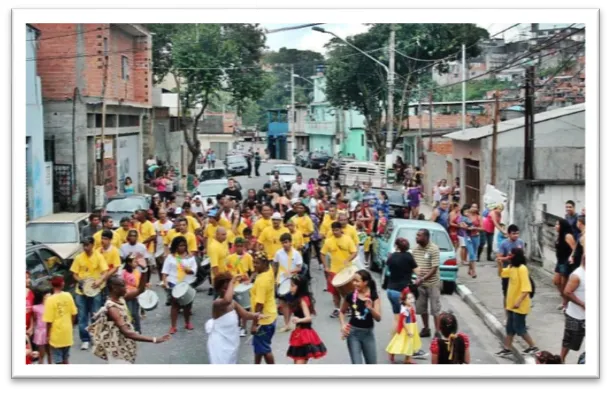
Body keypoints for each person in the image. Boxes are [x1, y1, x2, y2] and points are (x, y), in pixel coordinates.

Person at [88, 264, 171, 364]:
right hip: (117, 353)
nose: (126, 288)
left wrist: (144, 270)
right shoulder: (112, 308)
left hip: (124, 348)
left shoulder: (121, 299)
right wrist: (154, 339)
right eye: (123, 285)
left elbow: (140, 290)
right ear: (114, 288)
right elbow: (127, 332)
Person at [206, 272, 263, 364]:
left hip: (231, 341)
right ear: (219, 289)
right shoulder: (217, 304)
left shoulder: (233, 303)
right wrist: (232, 281)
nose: (228, 290)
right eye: (225, 288)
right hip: (219, 343)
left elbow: (245, 314)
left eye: (228, 287)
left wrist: (256, 315)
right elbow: (227, 300)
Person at [495, 248, 539, 357]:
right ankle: (507, 348)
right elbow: (501, 274)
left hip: (520, 305)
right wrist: (500, 264)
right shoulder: (512, 268)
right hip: (511, 304)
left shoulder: (522, 269)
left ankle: (533, 346)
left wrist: (518, 302)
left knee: (519, 328)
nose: (509, 257)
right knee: (509, 328)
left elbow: (526, 288)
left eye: (511, 255)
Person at [70, 237, 110, 350]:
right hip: (81, 291)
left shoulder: (99, 257)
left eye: (87, 245)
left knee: (95, 315)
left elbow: (105, 272)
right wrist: (79, 281)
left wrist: (99, 281)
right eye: (84, 245)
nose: (85, 247)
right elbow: (74, 273)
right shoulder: (78, 258)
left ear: (92, 245)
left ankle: (96, 338)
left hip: (95, 290)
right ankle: (85, 340)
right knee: (82, 316)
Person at [339, 269, 381, 364]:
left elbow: (378, 318)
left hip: (368, 334)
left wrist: (370, 308)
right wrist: (343, 325)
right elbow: (342, 312)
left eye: (357, 281)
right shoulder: (350, 296)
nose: (354, 283)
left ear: (365, 282)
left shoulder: (374, 296)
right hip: (353, 334)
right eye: (353, 280)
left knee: (372, 363)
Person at [286, 275, 327, 364]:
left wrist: (298, 320)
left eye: (293, 286)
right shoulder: (298, 299)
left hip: (304, 334)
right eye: (290, 285)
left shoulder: (302, 300)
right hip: (299, 333)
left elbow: (308, 318)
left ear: (300, 287)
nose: (290, 288)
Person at [162, 236, 198, 334]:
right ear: (175, 246)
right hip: (174, 282)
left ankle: (187, 323)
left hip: (187, 283)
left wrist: (189, 271)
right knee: (175, 305)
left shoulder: (190, 257)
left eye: (183, 245)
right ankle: (173, 326)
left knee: (187, 305)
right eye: (179, 246)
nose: (182, 247)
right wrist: (165, 281)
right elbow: (165, 271)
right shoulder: (171, 257)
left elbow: (194, 271)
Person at [322, 222, 358, 318]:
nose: (335, 232)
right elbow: (322, 253)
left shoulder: (347, 239)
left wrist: (348, 259)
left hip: (347, 271)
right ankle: (337, 309)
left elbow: (354, 252)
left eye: (337, 230)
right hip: (334, 270)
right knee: (335, 292)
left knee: (348, 291)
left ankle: (350, 308)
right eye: (333, 230)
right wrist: (326, 266)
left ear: (341, 229)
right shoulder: (328, 241)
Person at [250, 251, 278, 364]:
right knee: (260, 347)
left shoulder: (262, 281)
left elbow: (259, 305)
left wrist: (254, 324)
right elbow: (275, 265)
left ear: (265, 263)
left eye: (257, 263)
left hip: (263, 321)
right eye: (254, 262)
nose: (254, 265)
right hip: (271, 315)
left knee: (265, 349)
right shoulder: (269, 270)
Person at [413, 229, 441, 338]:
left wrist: (423, 278)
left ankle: (437, 331)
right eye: (416, 235)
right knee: (421, 308)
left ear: (426, 237)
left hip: (432, 283)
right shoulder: (415, 250)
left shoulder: (434, 249)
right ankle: (426, 328)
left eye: (419, 235)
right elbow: (414, 266)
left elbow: (434, 268)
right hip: (420, 284)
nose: (416, 237)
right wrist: (416, 277)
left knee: (435, 308)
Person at [43, 276, 78, 364]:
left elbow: (49, 321)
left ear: (52, 285)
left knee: (58, 361)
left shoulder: (50, 300)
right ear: (63, 284)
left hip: (56, 335)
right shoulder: (68, 295)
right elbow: (74, 313)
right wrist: (71, 325)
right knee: (66, 358)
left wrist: (47, 335)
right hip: (67, 333)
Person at [385, 238, 419, 327]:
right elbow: (418, 272)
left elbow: (388, 266)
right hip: (402, 292)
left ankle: (394, 339)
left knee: (396, 318)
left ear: (396, 246)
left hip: (390, 290)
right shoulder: (408, 256)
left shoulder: (392, 256)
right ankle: (405, 339)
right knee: (407, 319)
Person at [274, 233, 303, 333]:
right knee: (283, 303)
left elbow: (299, 268)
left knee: (294, 303)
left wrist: (290, 272)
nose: (285, 245)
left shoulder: (296, 253)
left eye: (286, 242)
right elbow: (275, 266)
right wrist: (274, 279)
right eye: (283, 243)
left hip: (293, 281)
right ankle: (287, 324)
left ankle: (299, 322)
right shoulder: (278, 253)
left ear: (291, 242)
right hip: (281, 280)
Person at [386, 287, 422, 364]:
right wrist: (408, 331)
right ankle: (392, 352)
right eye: (409, 298)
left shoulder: (410, 307)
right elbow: (403, 321)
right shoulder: (405, 309)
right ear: (404, 300)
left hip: (411, 327)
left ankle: (407, 359)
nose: (411, 300)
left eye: (412, 297)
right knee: (399, 341)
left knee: (410, 343)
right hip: (406, 329)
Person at [562, 254, 585, 363]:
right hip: (576, 315)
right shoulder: (577, 275)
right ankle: (561, 360)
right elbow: (567, 292)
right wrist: (582, 304)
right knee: (569, 342)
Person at [554, 219, 576, 311]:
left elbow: (574, 249)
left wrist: (571, 257)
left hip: (566, 262)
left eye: (557, 224)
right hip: (560, 261)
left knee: (564, 284)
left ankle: (566, 303)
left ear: (562, 226)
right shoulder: (559, 236)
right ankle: (564, 300)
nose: (555, 226)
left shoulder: (568, 236)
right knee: (556, 281)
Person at [32, 290, 52, 364]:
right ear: (43, 297)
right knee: (42, 354)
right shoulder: (36, 308)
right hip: (41, 332)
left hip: (49, 331)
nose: (49, 298)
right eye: (47, 297)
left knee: (50, 353)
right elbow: (34, 319)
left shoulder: (52, 307)